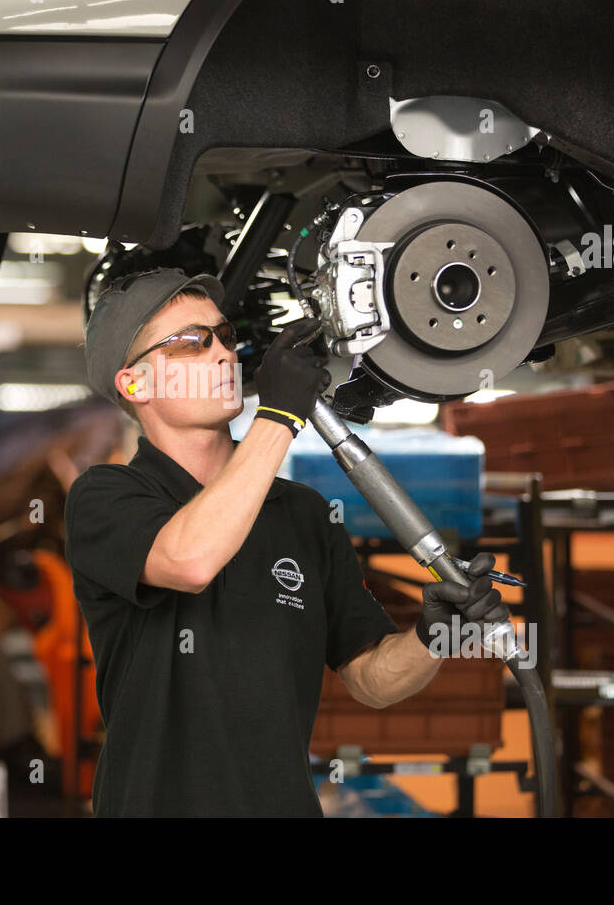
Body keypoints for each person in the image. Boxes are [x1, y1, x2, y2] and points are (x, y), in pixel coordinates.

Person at [64, 267, 509, 817]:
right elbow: (190, 559)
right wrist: (277, 415)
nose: (224, 355)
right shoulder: (106, 498)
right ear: (136, 383)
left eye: (225, 337)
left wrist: (432, 635)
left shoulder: (302, 514)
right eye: (191, 343)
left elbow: (370, 677)